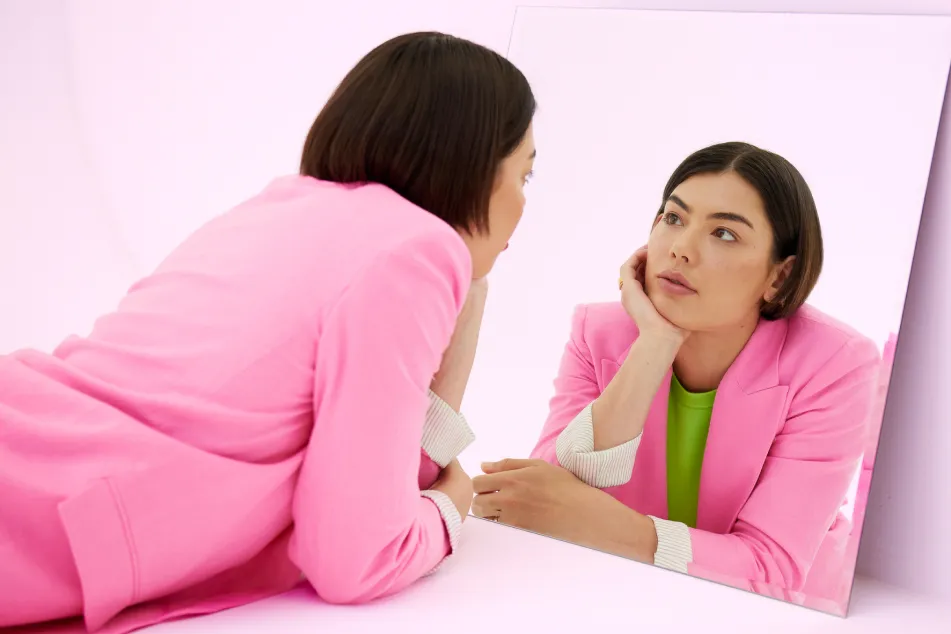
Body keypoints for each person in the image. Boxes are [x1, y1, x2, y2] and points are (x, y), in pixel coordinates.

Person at [0, 32, 536, 633]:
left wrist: (472, 292)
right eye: (524, 175)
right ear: (471, 164)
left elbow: (375, 472)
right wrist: (448, 512)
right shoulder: (417, 251)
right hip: (39, 508)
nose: (523, 205)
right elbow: (357, 557)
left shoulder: (283, 207)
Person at [471, 142, 881, 597]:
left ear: (779, 277)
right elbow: (547, 502)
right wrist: (655, 344)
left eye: (724, 233)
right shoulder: (598, 331)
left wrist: (613, 528)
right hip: (626, 593)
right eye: (673, 218)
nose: (681, 250)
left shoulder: (834, 363)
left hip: (781, 613)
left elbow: (770, 567)